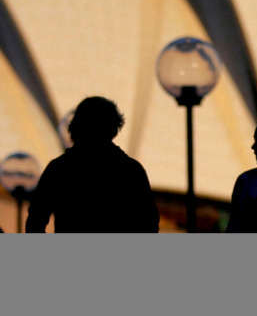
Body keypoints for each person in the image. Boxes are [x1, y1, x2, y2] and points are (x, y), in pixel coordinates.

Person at [25, 96, 158, 232]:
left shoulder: (59, 168)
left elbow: (35, 220)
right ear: (113, 128)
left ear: (76, 127)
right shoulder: (131, 171)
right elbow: (149, 223)